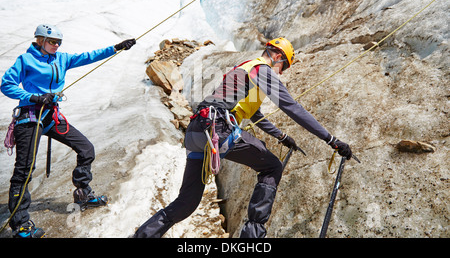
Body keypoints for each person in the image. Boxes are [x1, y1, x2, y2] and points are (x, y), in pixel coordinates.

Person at [133, 37, 352, 238]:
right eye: (283, 67)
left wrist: (282, 136)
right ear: (277, 57)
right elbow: (291, 107)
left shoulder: (246, 69)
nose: (281, 73)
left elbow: (254, 113)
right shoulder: (262, 70)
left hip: (197, 131)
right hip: (217, 128)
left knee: (186, 202)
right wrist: (331, 140)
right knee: (271, 167)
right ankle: (251, 239)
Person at [1, 24, 136, 238]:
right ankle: (21, 226)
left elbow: (88, 56)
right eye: (52, 41)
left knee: (86, 149)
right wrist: (34, 97)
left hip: (51, 117)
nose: (56, 45)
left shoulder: (62, 59)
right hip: (29, 117)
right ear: (40, 40)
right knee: (24, 171)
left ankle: (83, 193)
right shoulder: (25, 60)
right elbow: (6, 84)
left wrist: (117, 48)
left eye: (59, 42)